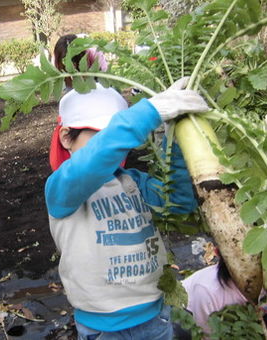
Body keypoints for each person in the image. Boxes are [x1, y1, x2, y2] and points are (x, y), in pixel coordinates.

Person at [45, 78, 209, 339]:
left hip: (155, 314)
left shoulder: (133, 181)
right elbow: (92, 161)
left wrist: (173, 141)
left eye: (119, 137)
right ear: (66, 137)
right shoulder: (62, 188)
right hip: (104, 327)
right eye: (101, 134)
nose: (114, 145)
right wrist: (149, 112)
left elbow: (177, 204)